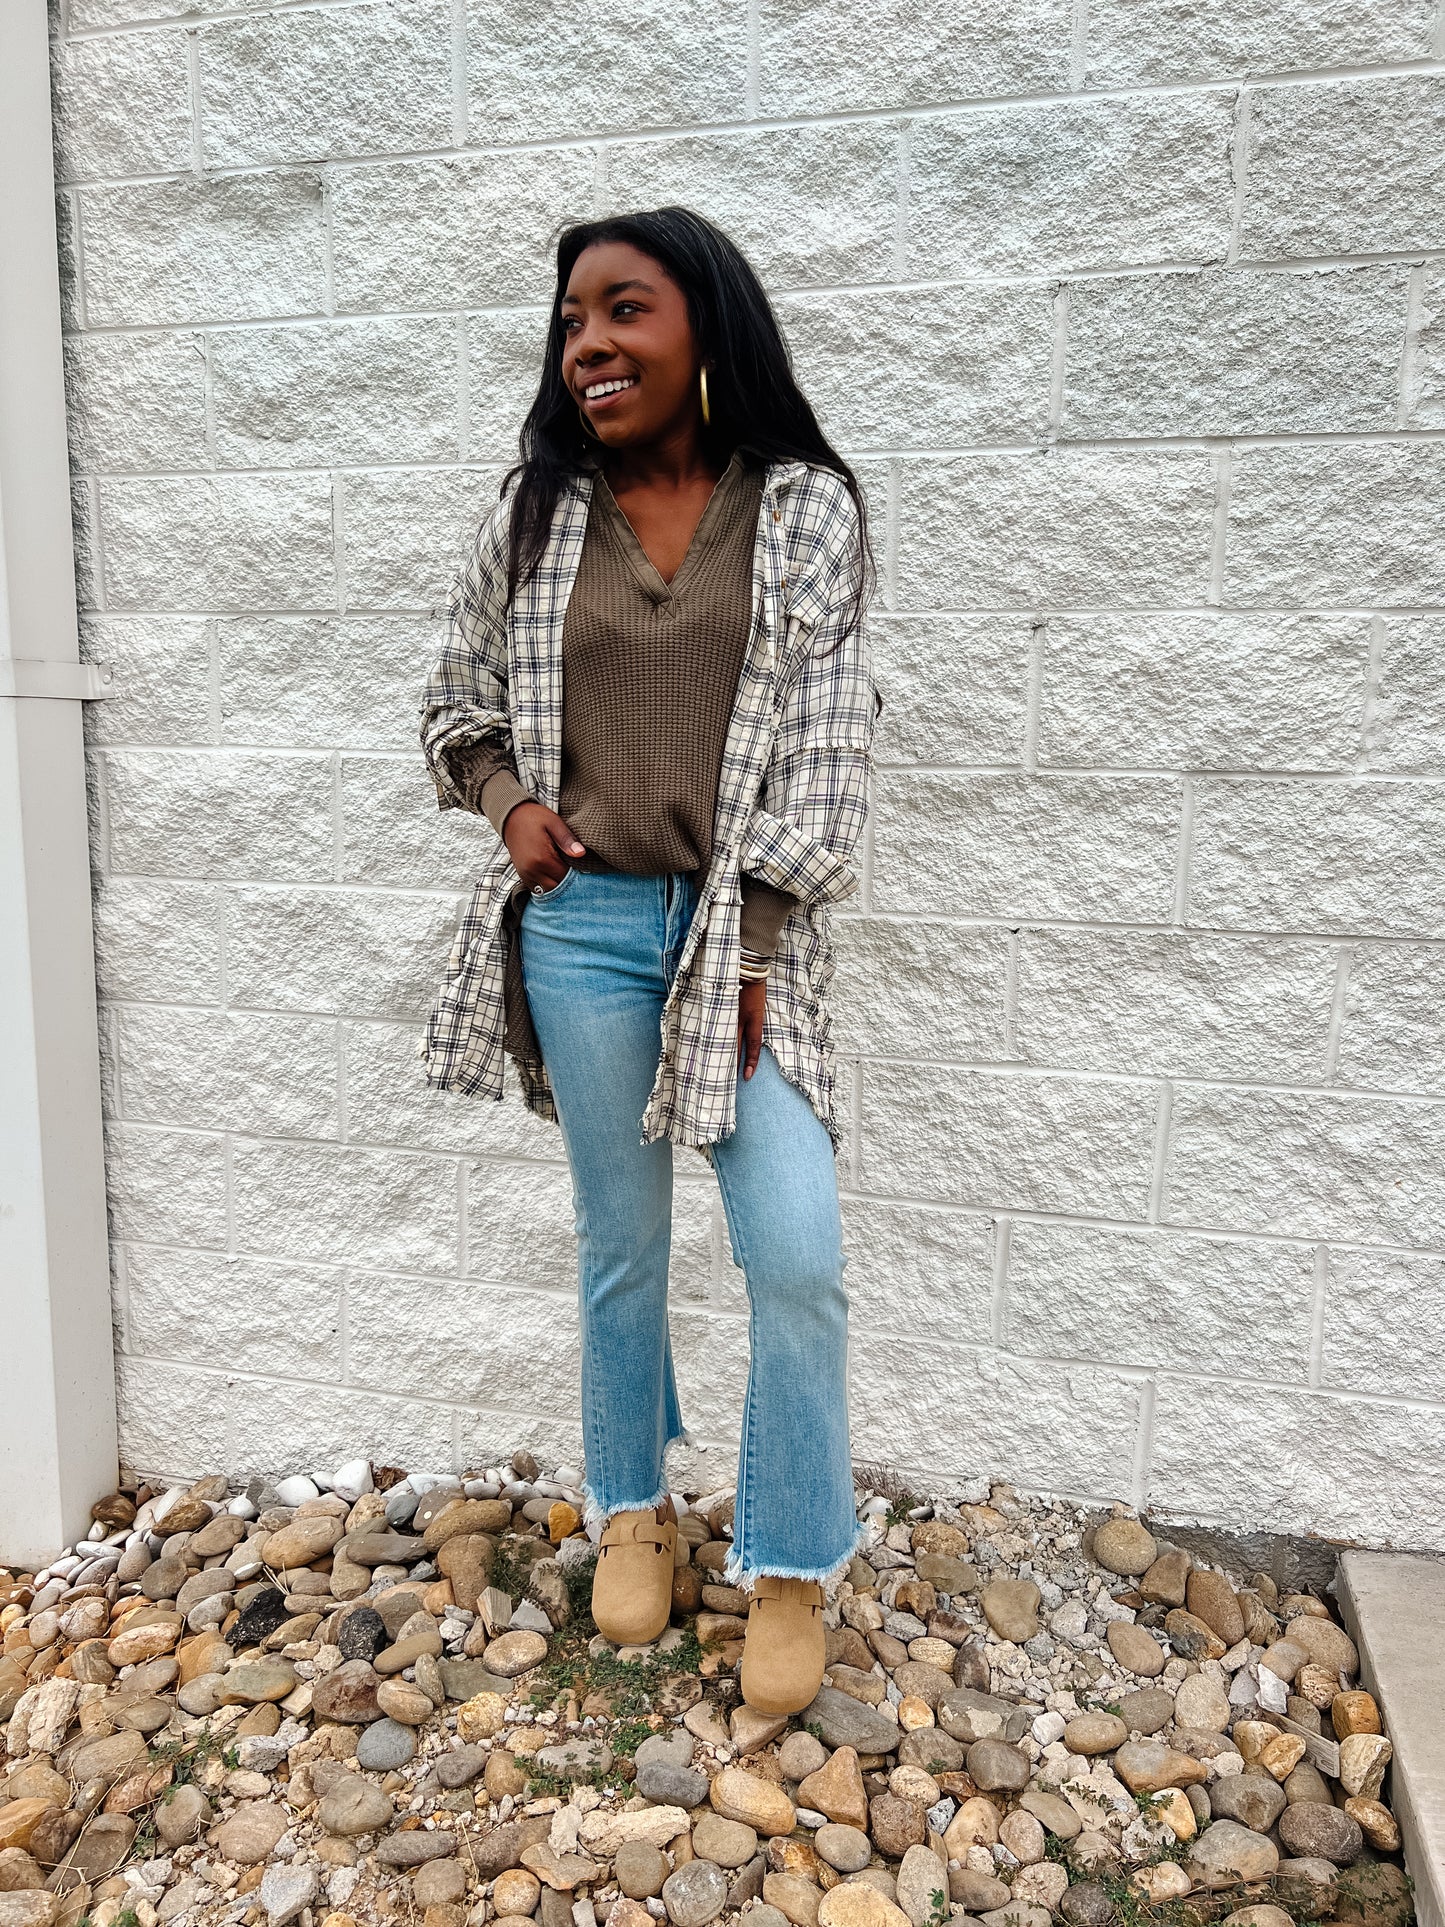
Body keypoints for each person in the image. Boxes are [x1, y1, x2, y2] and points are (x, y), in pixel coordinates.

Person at [418, 206, 882, 1714]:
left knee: (795, 1255)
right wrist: (513, 809)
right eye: (572, 322)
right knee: (621, 1242)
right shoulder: (535, 512)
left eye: (625, 309)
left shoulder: (803, 511)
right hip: (588, 928)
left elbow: (829, 755)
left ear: (707, 327)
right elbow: (453, 701)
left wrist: (752, 947)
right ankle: (631, 1503)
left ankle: (791, 1558)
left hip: (746, 938)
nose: (589, 345)